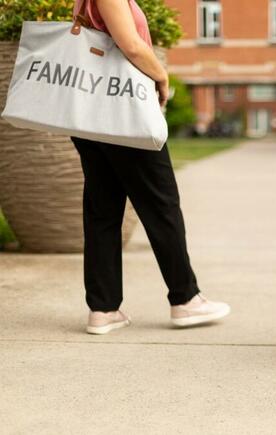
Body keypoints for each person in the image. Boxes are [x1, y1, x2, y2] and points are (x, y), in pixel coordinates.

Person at [71, 0, 230, 334]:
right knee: (162, 205)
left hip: (90, 111)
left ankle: (103, 308)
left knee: (102, 210)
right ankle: (185, 300)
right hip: (124, 113)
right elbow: (130, 45)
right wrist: (161, 76)